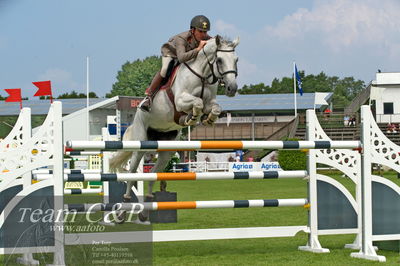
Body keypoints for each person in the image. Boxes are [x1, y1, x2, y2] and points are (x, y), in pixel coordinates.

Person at [138, 15, 212, 112]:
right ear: (193, 30)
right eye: (200, 31)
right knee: (165, 70)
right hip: (171, 54)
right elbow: (181, 58)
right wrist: (198, 49)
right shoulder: (181, 38)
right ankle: (149, 96)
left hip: (188, 55)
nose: (203, 35)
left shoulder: (206, 37)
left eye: (205, 32)